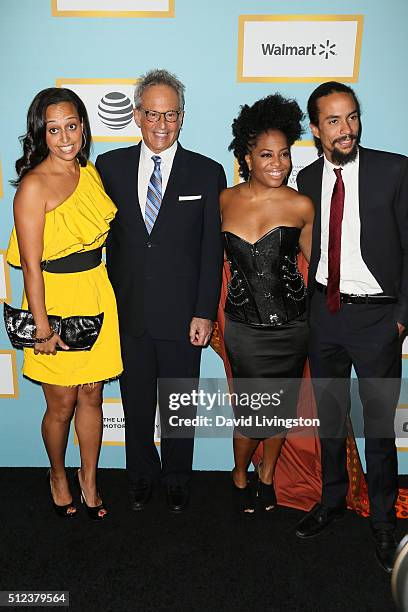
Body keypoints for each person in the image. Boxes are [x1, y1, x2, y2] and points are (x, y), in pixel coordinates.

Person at [95, 69, 226, 513]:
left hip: (183, 315)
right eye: (152, 113)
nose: (162, 124)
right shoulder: (108, 167)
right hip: (127, 311)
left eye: (171, 114)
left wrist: (204, 311)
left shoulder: (208, 173)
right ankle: (140, 474)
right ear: (136, 115)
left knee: (178, 405)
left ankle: (176, 477)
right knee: (134, 403)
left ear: (182, 117)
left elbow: (212, 251)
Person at [294, 81, 408, 573]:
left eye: (352, 117)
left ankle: (383, 519)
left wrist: (402, 318)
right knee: (330, 418)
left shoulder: (394, 170)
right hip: (325, 313)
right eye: (334, 121)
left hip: (379, 316)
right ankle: (333, 499)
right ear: (316, 129)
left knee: (379, 426)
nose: (347, 129)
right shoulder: (304, 179)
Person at [6, 88, 122, 520]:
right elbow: (31, 267)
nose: (65, 137)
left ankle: (89, 479)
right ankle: (57, 474)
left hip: (95, 289)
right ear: (42, 133)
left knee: (92, 395)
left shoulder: (90, 174)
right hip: (53, 296)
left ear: (83, 127)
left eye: (71, 125)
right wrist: (42, 329)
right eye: (53, 129)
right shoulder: (33, 187)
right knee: (62, 403)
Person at [220, 94, 314, 514]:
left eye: (284, 154)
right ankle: (240, 473)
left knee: (280, 409)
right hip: (243, 327)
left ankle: (268, 476)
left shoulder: (300, 205)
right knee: (251, 413)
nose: (278, 163)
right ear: (247, 157)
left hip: (292, 327)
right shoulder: (223, 200)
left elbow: (320, 267)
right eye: (266, 155)